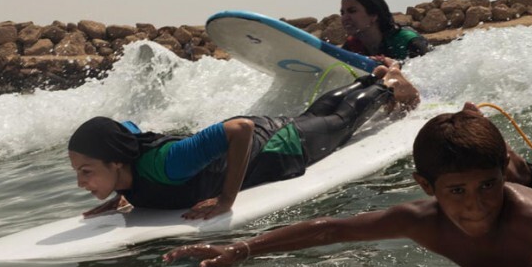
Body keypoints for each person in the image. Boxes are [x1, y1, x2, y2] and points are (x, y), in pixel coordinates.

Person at [165, 36, 532, 267]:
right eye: (457, 192)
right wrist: (240, 249)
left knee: (531, 199)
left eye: (485, 187)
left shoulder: (528, 220)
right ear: (425, 187)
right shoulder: (421, 218)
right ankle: (499, 157)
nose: (474, 205)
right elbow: (331, 228)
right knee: (510, 183)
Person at [69, 60, 420, 220]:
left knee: (340, 123)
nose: (81, 182)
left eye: (86, 171)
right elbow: (125, 129)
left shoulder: (169, 163)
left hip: (276, 145)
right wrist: (121, 193)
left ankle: (388, 85)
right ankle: (371, 75)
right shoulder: (123, 164)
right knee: (316, 117)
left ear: (116, 163)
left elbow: (240, 130)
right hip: (269, 130)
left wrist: (225, 199)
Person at [340, 0, 430, 61]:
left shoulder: (407, 40)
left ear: (374, 15)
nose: (344, 18)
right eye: (342, 13)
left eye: (352, 11)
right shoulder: (351, 46)